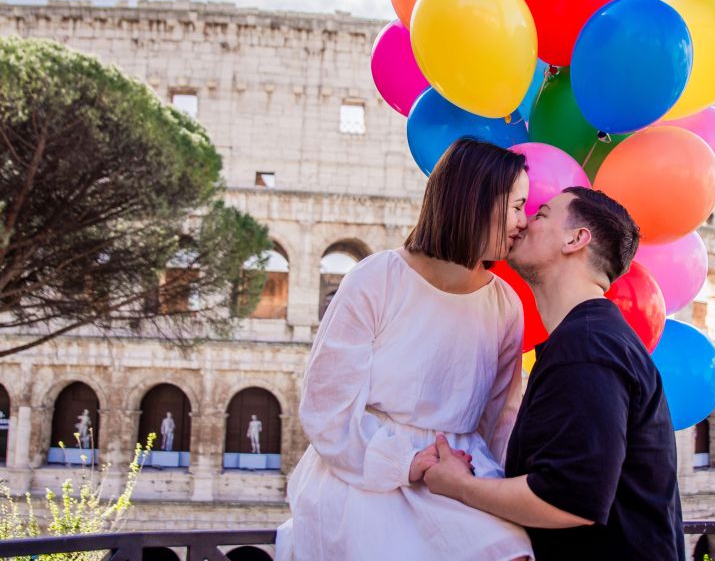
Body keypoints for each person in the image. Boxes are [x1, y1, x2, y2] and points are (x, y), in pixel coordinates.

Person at [276, 139, 533, 560]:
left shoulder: (505, 304)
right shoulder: (375, 279)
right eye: (517, 205)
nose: (523, 222)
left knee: (509, 549)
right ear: (475, 200)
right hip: (364, 470)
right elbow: (327, 406)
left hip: (459, 472)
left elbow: (500, 419)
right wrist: (408, 462)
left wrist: (497, 485)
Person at [424, 187, 685, 560]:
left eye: (542, 214)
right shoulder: (590, 338)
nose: (525, 222)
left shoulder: (588, 346)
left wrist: (459, 486)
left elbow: (568, 500)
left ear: (576, 239)